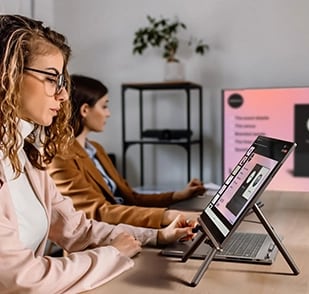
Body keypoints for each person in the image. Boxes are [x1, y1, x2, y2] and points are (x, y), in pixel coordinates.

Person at [0, 14, 196, 293]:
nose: (63, 95)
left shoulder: (26, 152)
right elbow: (24, 279)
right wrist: (113, 254)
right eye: (51, 78)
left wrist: (157, 236)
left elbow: (77, 229)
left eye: (62, 81)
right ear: (7, 74)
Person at [47, 74, 206, 228]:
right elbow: (97, 212)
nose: (108, 113)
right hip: (99, 240)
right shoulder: (60, 157)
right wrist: (169, 216)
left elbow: (130, 197)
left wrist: (179, 195)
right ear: (85, 110)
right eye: (104, 106)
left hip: (126, 228)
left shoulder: (96, 149)